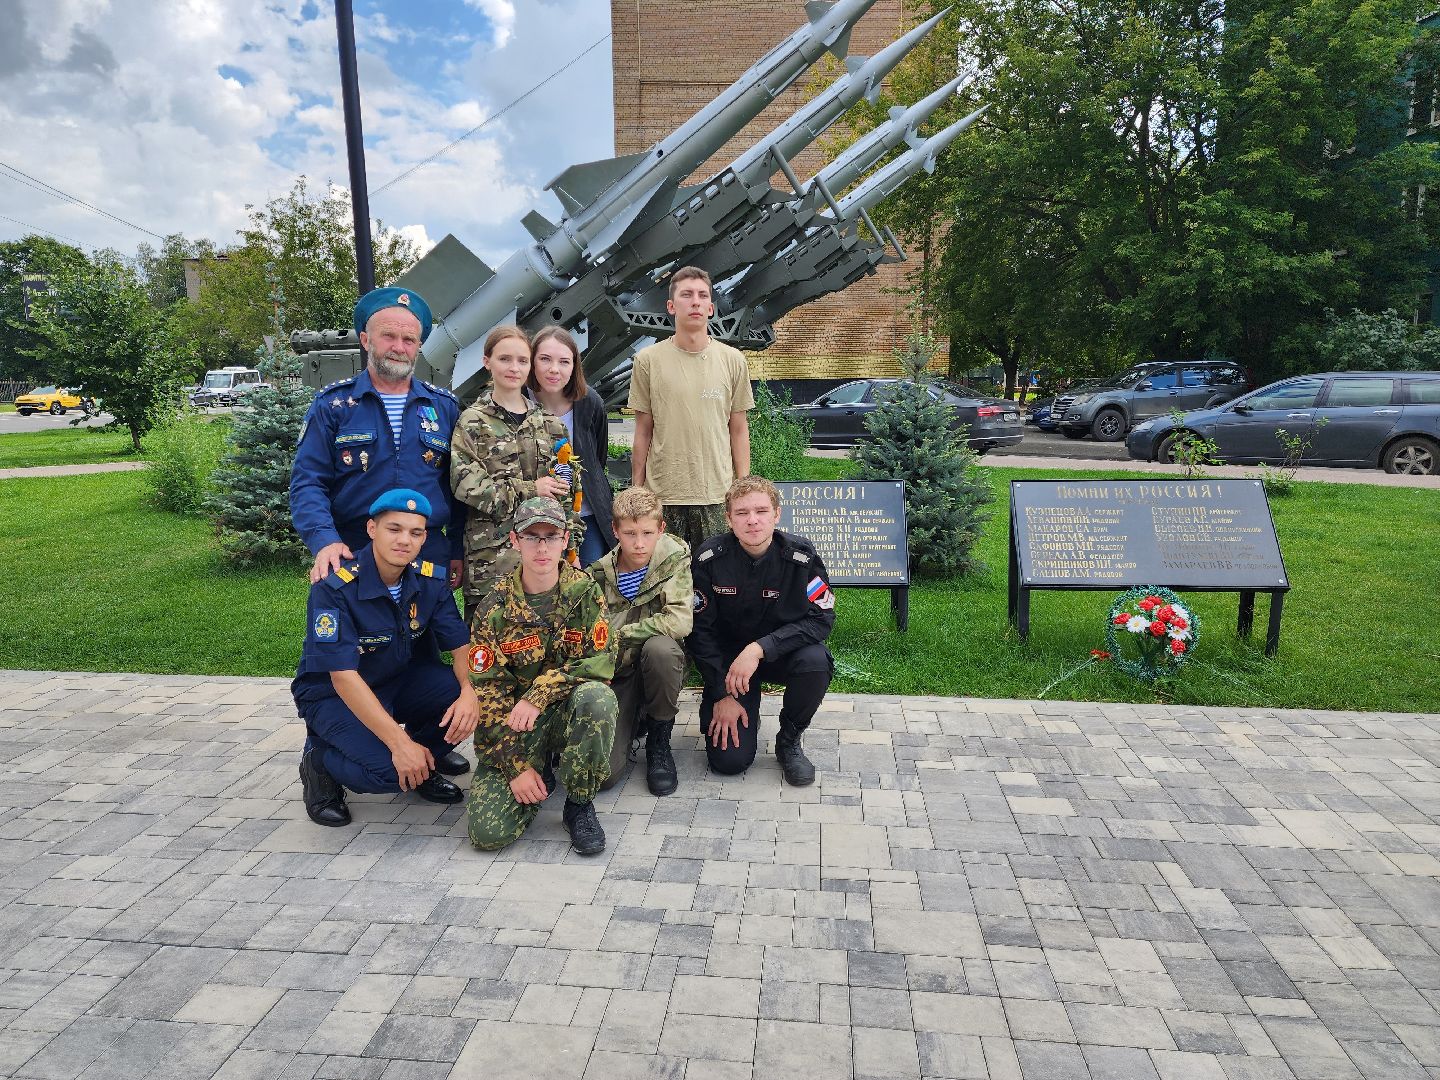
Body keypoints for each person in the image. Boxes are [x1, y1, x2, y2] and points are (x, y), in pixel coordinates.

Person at [292, 489, 479, 827]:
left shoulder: (429, 580)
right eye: (394, 529)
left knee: (464, 698)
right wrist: (399, 742)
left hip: (393, 681)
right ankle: (320, 763)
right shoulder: (334, 588)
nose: (404, 540)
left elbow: (460, 644)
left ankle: (421, 768)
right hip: (333, 695)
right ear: (371, 529)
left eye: (415, 532)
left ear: (424, 538)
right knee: (388, 776)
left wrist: (469, 691)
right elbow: (342, 676)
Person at [466, 497, 618, 855]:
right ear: (514, 541)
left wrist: (540, 693)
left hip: (569, 715)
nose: (542, 546)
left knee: (598, 698)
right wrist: (517, 768)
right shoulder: (494, 608)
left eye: (551, 536)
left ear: (565, 540)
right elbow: (487, 697)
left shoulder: (584, 592)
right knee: (487, 834)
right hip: (517, 727)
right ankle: (537, 773)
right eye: (531, 536)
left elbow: (601, 661)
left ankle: (578, 804)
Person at [291, 286, 465, 591]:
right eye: (388, 336)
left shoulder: (443, 407)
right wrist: (325, 541)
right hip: (353, 552)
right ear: (365, 340)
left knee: (432, 638)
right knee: (354, 639)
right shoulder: (333, 406)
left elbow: (459, 486)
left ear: (418, 346)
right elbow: (308, 481)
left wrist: (457, 548)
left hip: (428, 552)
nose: (399, 347)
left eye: (409, 339)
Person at [689, 476, 835, 784]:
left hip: (780, 655)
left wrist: (760, 649)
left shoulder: (801, 558)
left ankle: (789, 741)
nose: (752, 521)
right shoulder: (709, 559)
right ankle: (745, 708)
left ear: (777, 514)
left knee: (816, 661)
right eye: (742, 513)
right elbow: (700, 632)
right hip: (730, 668)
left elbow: (821, 618)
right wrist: (720, 693)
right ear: (729, 518)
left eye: (761, 511)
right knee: (729, 762)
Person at [628, 266, 755, 551]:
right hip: (662, 495)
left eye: (702, 296)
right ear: (672, 306)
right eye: (686, 295)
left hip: (715, 494)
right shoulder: (647, 361)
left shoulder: (733, 361)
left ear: (711, 307)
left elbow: (738, 429)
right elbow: (643, 430)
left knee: (717, 580)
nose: (695, 301)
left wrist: (742, 487)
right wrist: (638, 491)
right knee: (663, 580)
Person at [451, 326, 571, 623]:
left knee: (543, 651)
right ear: (487, 362)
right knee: (488, 653)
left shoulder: (550, 425)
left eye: (522, 360)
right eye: (505, 359)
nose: (514, 368)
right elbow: (468, 487)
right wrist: (532, 490)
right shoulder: (472, 423)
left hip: (543, 561)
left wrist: (572, 548)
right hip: (491, 563)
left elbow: (569, 493)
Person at [586, 487, 692, 796]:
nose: (639, 543)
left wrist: (622, 636)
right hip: (617, 671)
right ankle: (633, 721)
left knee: (661, 648)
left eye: (647, 532)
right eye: (630, 533)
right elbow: (591, 636)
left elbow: (680, 620)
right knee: (603, 777)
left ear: (661, 528)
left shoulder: (674, 560)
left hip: (657, 667)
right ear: (615, 530)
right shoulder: (599, 575)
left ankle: (660, 739)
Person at [527, 325, 616, 567]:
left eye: (564, 361)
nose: (554, 369)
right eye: (545, 359)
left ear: (574, 366)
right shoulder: (519, 403)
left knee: (587, 587)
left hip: (585, 516)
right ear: (532, 361)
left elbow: (597, 458)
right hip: (534, 520)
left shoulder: (590, 402)